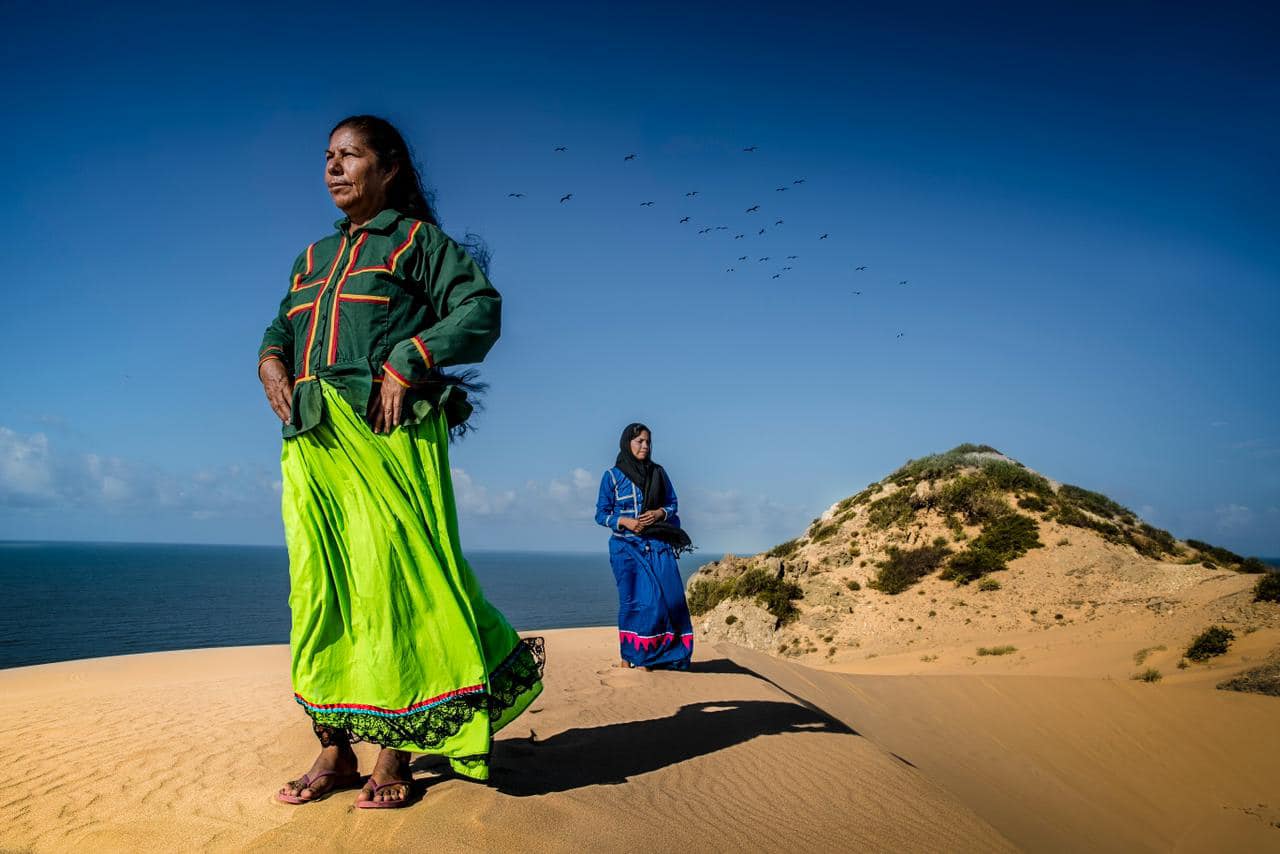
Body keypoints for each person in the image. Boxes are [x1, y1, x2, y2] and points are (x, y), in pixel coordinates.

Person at [259, 115, 544, 809]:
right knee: (321, 592)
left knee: (397, 587)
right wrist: (270, 361)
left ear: (389, 169)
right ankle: (336, 745)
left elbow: (481, 310)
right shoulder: (311, 257)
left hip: (389, 439)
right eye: (327, 156)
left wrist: (409, 358)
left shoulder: (419, 243)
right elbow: (282, 323)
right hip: (313, 446)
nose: (333, 168)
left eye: (349, 156)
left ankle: (397, 750)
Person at [595, 423, 695, 670]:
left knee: (671, 601)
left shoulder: (658, 472)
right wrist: (625, 522)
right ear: (627, 443)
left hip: (658, 545)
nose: (645, 446)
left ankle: (663, 656)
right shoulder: (611, 476)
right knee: (636, 602)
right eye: (639, 441)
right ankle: (631, 656)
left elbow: (672, 503)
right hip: (625, 549)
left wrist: (660, 513)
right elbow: (601, 514)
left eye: (648, 441)